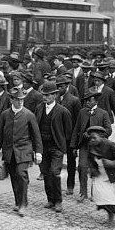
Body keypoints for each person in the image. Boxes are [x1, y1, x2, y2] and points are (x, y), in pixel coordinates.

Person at [0, 87, 41, 217]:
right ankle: (17, 201)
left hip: (24, 150)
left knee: (21, 175)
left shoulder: (29, 115)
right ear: (11, 100)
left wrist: (38, 152)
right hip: (9, 151)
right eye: (17, 100)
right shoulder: (5, 115)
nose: (20, 102)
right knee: (14, 177)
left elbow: (36, 135)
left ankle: (23, 204)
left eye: (22, 100)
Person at [35, 81, 72, 214]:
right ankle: (50, 199)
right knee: (45, 173)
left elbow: (68, 132)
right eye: (43, 95)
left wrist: (63, 146)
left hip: (56, 147)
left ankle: (58, 201)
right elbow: (35, 127)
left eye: (48, 95)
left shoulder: (63, 111)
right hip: (43, 147)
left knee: (54, 173)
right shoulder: (39, 108)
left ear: (55, 95)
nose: (45, 97)